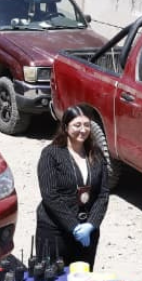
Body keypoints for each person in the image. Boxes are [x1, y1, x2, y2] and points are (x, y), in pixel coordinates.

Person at [35, 106, 109, 267]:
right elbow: (50, 195)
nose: (83, 130)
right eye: (77, 125)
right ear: (66, 127)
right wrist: (73, 226)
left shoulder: (96, 154)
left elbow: (103, 194)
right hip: (55, 231)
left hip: (87, 232)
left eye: (87, 125)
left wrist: (91, 224)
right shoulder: (51, 154)